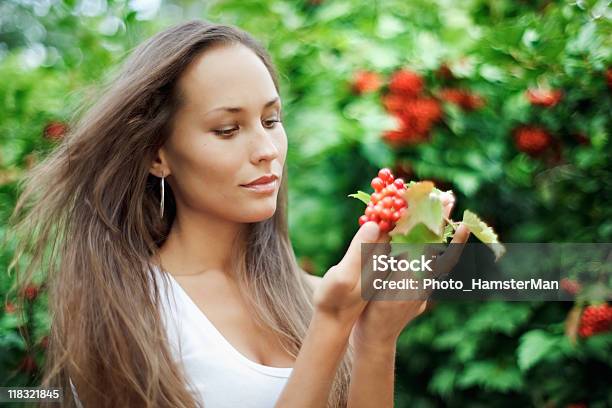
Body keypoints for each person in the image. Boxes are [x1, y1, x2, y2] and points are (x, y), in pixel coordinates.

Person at [8, 19, 470, 407]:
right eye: (228, 129)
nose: (267, 150)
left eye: (271, 120)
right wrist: (332, 324)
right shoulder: (128, 319)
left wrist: (376, 339)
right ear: (157, 154)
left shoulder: (312, 295)